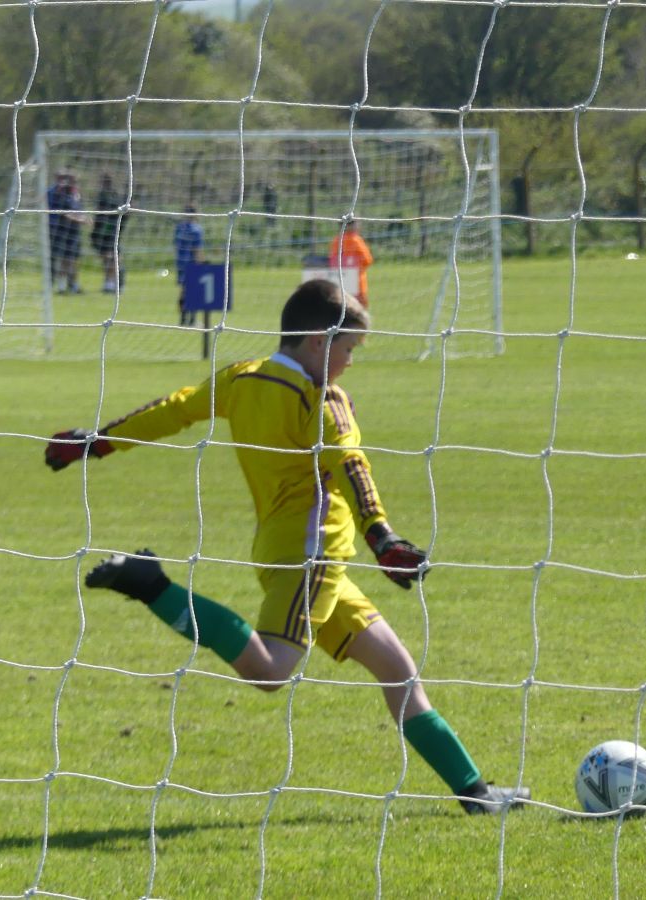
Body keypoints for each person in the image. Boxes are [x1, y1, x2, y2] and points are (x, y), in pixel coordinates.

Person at [42, 280, 530, 816]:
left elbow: (177, 409)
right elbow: (351, 465)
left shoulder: (242, 377)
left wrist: (100, 441)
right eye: (348, 350)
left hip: (287, 551)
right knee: (271, 670)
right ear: (320, 341)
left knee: (396, 667)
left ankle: (476, 794)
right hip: (312, 554)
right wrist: (381, 536)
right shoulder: (321, 400)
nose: (348, 363)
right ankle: (150, 583)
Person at [46, 172, 86, 295]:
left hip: (74, 232)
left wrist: (83, 217)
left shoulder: (76, 194)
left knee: (73, 260)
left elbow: (78, 210)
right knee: (63, 259)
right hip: (62, 231)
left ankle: (73, 285)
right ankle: (61, 287)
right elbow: (63, 212)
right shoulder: (60, 194)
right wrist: (79, 219)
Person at [90, 174, 129, 293]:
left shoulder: (112, 197)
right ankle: (109, 283)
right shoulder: (102, 196)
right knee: (108, 259)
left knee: (113, 258)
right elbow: (99, 215)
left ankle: (114, 284)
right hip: (102, 233)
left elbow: (120, 214)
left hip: (111, 232)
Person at [328, 218, 375, 305]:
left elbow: (332, 259)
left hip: (341, 279)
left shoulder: (336, 240)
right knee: (359, 308)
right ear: (352, 225)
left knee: (342, 305)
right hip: (357, 281)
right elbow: (368, 260)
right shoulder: (356, 240)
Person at [173, 205, 204, 326]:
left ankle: (183, 319)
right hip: (192, 262)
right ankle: (192, 320)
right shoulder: (197, 229)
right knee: (193, 291)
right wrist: (201, 262)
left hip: (181, 263)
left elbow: (176, 246)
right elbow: (197, 248)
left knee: (183, 291)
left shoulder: (179, 228)